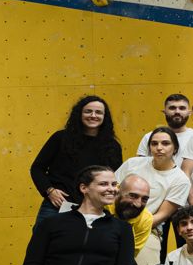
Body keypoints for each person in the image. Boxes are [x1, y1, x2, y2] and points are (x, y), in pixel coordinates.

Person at [116, 128, 190, 265]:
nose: (159, 148)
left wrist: (132, 229)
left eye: (165, 143)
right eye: (154, 143)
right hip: (113, 224)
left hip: (148, 230)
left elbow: (162, 215)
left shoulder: (180, 179)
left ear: (175, 148)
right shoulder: (132, 164)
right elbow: (112, 193)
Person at [31, 95, 124, 227]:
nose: (93, 115)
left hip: (95, 209)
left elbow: (116, 178)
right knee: (41, 245)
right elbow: (37, 168)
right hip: (57, 206)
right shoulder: (60, 138)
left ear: (105, 117)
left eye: (98, 112)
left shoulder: (112, 146)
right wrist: (49, 190)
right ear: (79, 114)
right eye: (88, 111)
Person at [132, 93, 193, 158]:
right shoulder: (149, 137)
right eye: (172, 108)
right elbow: (140, 165)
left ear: (189, 113)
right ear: (164, 112)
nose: (177, 111)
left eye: (182, 108)